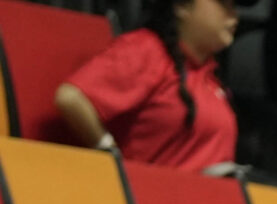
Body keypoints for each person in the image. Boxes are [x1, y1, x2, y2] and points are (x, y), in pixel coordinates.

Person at [56, 0, 239, 170]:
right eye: (224, 3)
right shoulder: (147, 50)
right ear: (181, 6)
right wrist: (109, 155)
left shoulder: (210, 76)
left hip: (210, 199)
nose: (233, 15)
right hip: (152, 199)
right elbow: (71, 98)